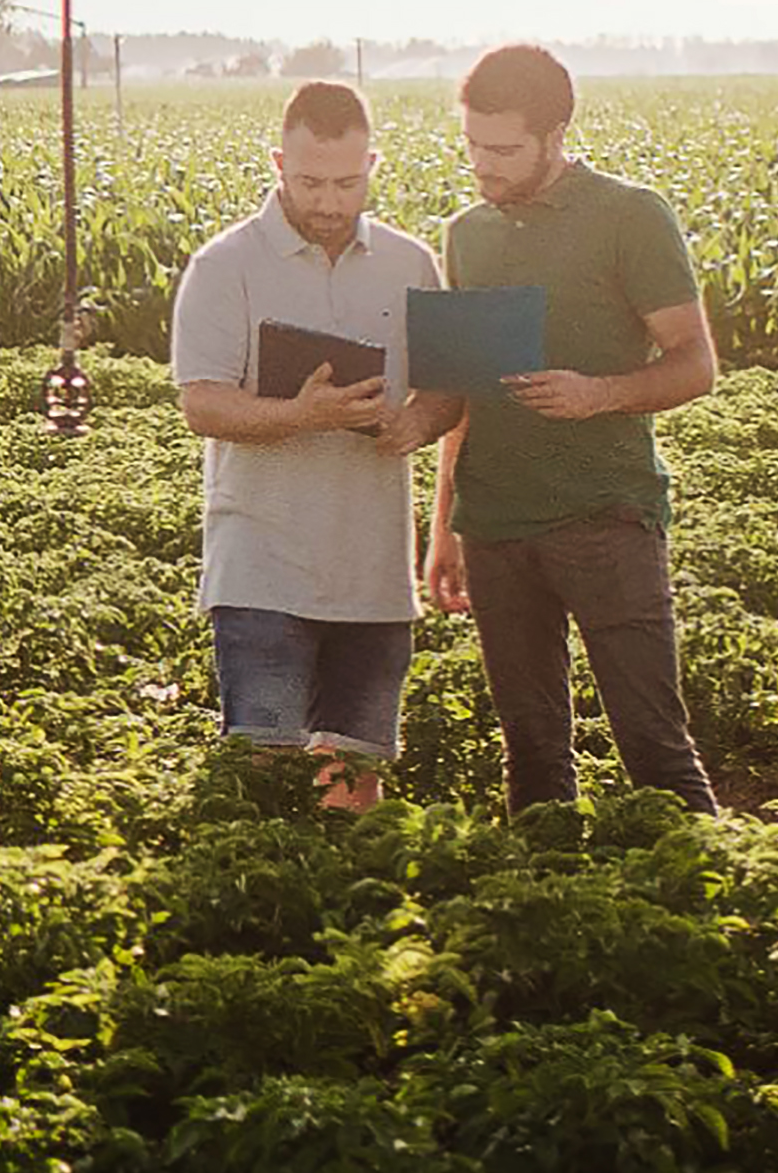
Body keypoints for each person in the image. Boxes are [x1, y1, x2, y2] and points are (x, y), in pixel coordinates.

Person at [420, 41, 725, 811]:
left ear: (554, 134)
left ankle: (717, 913)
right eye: (471, 145)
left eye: (503, 148)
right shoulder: (467, 232)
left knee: (653, 746)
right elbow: (464, 391)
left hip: (605, 519)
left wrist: (598, 393)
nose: (482, 165)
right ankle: (551, 912)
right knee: (530, 754)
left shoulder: (629, 216)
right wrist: (444, 525)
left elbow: (695, 363)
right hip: (495, 526)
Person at [170, 78, 447, 808]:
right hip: (260, 567)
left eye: (346, 182)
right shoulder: (223, 265)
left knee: (351, 785)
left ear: (373, 167)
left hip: (373, 572)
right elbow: (201, 404)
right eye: (309, 181)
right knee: (259, 772)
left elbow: (448, 390)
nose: (327, 200)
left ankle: (340, 912)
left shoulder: (409, 263)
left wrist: (416, 422)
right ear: (276, 163)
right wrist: (304, 413)